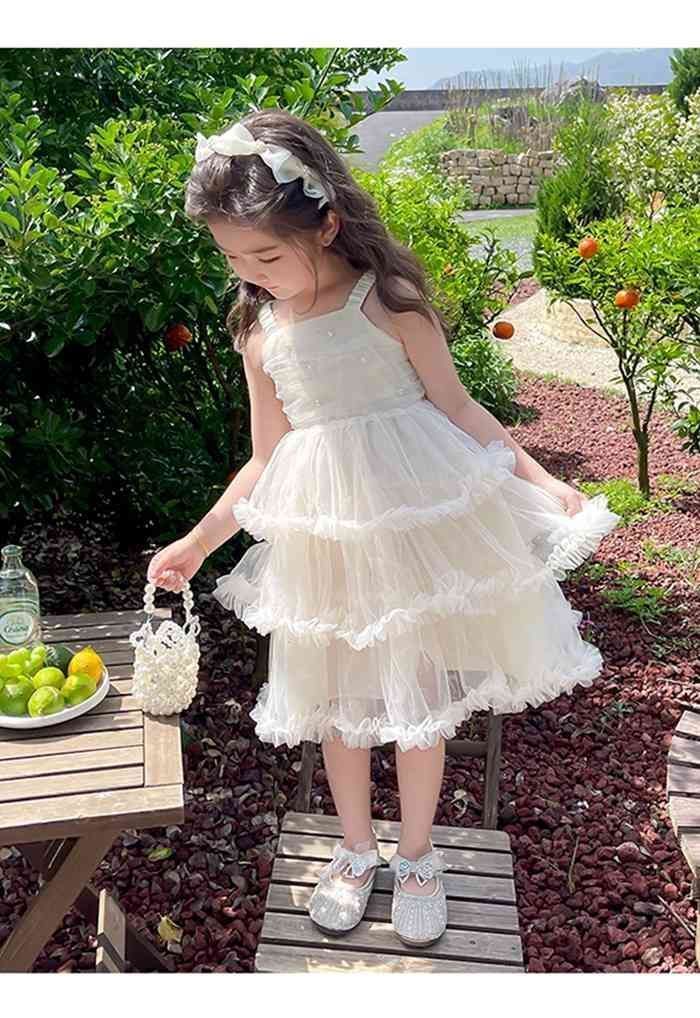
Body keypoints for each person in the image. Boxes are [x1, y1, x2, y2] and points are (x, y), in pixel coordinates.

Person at [146, 108, 621, 947]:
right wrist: (197, 542)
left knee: (419, 699)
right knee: (337, 701)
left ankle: (418, 855)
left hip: (412, 528)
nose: (250, 274)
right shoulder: (261, 332)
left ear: (326, 224)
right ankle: (357, 849)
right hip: (327, 541)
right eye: (232, 258)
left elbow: (461, 408)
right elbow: (263, 460)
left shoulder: (388, 303)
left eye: (265, 256)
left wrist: (545, 482)